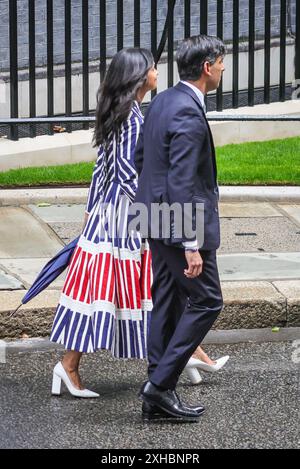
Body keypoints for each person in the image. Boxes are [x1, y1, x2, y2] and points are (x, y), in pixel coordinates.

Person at [49, 48, 158, 397]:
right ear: (140, 76)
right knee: (118, 290)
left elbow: (102, 168)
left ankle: (69, 365)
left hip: (106, 216)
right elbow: (127, 172)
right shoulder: (133, 117)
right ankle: (68, 366)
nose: (157, 72)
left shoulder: (120, 112)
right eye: (153, 67)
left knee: (100, 291)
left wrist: (89, 214)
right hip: (121, 220)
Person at [135, 35, 226, 422]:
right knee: (207, 300)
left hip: (153, 217)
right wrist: (190, 242)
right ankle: (158, 386)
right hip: (180, 223)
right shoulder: (188, 111)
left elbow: (142, 157)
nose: (223, 69)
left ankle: (159, 391)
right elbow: (185, 180)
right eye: (221, 63)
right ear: (207, 67)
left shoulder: (163, 101)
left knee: (168, 298)